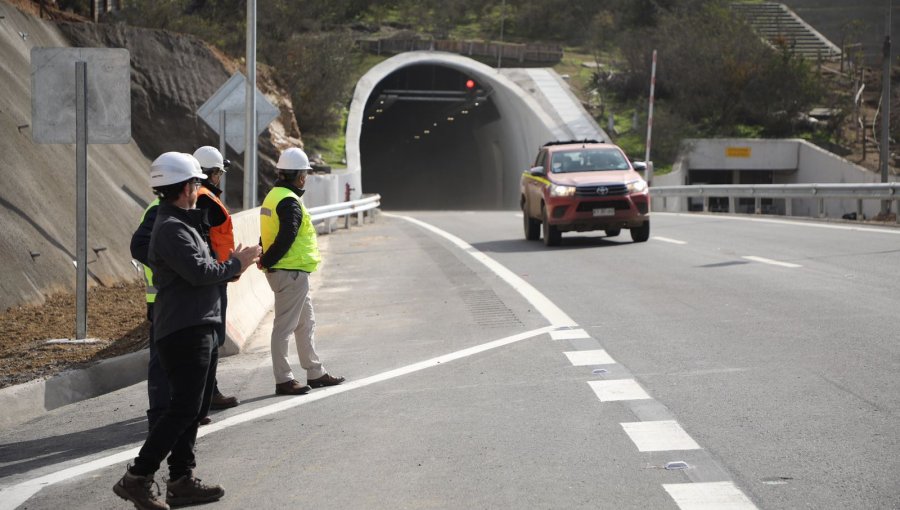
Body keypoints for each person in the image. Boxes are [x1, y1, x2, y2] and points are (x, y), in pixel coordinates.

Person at [114, 152, 260, 510]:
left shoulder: (184, 222)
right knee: (183, 408)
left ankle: (181, 480)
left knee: (192, 409)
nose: (200, 188)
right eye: (197, 182)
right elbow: (199, 272)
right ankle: (138, 476)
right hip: (184, 327)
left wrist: (229, 266)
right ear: (185, 187)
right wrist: (235, 263)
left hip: (200, 322)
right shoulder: (171, 228)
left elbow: (207, 267)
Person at [259, 147, 344, 395]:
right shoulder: (289, 201)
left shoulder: (273, 196)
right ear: (299, 176)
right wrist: (268, 260)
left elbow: (268, 232)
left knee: (306, 323)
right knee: (284, 327)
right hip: (289, 272)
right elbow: (286, 236)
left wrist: (266, 258)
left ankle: (315, 372)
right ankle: (283, 379)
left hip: (291, 272)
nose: (305, 177)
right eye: (304, 173)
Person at [192, 146, 239, 411]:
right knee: (210, 340)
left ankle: (206, 394)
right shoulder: (205, 198)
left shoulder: (201, 196)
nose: (220, 178)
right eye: (219, 172)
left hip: (214, 275)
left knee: (210, 340)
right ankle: (206, 396)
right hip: (213, 278)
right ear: (212, 174)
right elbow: (205, 241)